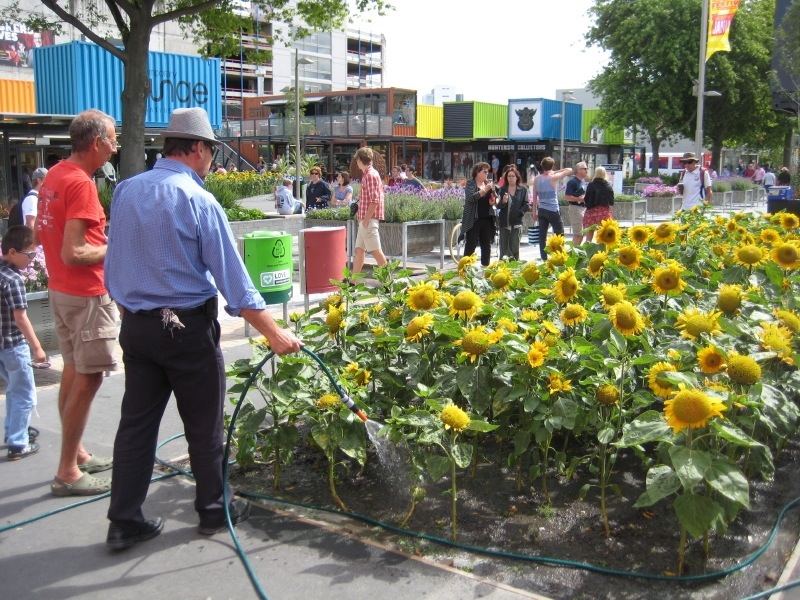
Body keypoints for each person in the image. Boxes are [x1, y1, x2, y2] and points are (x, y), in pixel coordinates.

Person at [104, 107, 302, 550]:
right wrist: (275, 333)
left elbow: (114, 261)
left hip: (137, 328)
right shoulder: (197, 199)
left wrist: (129, 310)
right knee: (203, 426)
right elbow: (235, 280)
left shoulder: (127, 191)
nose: (212, 160)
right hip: (187, 330)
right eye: (211, 150)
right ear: (196, 148)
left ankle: (123, 521)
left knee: (135, 427)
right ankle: (214, 509)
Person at [36, 109, 118, 496]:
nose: (115, 147)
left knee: (73, 370)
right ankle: (68, 471)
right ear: (96, 142)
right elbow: (75, 252)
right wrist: (116, 246)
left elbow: (43, 235)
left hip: (61, 291)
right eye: (112, 139)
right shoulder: (81, 184)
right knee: (89, 377)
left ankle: (78, 454)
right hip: (85, 295)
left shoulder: (55, 174)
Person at [1, 225, 47, 461]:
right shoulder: (14, 280)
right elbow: (20, 318)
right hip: (13, 345)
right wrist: (37, 347)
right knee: (25, 394)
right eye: (29, 254)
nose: (32, 259)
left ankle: (13, 431)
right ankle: (18, 443)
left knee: (13, 389)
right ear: (12, 252)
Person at [352, 147, 388, 275]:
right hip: (365, 219)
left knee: (376, 251)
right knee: (359, 250)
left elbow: (374, 200)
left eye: (357, 160)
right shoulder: (369, 174)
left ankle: (388, 281)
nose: (356, 162)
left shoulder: (370, 175)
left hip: (368, 219)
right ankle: (352, 282)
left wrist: (366, 220)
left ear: (360, 160)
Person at [531, 157, 573, 260]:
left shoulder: (537, 179)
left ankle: (544, 258)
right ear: (553, 166)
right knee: (559, 233)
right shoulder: (553, 177)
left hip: (542, 210)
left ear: (542, 166)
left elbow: (535, 197)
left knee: (542, 236)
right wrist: (555, 171)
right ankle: (559, 256)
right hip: (553, 210)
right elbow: (569, 170)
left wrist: (534, 212)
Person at [461, 162, 497, 267]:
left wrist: (493, 201)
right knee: (471, 244)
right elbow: (471, 198)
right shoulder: (471, 183)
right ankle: (465, 268)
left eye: (487, 172)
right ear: (477, 172)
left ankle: (486, 268)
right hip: (474, 219)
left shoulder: (488, 184)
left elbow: (495, 198)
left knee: (486, 245)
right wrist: (485, 190)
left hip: (487, 218)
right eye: (484, 172)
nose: (487, 174)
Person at [495, 165, 529, 260]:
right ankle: (504, 267)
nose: (511, 178)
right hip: (504, 222)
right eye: (509, 176)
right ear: (506, 178)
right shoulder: (502, 190)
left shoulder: (523, 189)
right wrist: (503, 201)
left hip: (517, 222)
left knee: (515, 247)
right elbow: (498, 205)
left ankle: (515, 265)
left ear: (517, 177)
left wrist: (520, 212)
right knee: (504, 249)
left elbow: (526, 204)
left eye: (513, 176)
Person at [583, 166, 615, 236]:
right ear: (604, 173)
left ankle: (588, 243)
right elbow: (611, 201)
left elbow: (587, 199)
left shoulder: (591, 185)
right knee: (603, 235)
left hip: (592, 211)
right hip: (604, 212)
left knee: (589, 234)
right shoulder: (608, 186)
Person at [564, 162, 589, 246]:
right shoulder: (572, 182)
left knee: (582, 233)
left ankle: (577, 250)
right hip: (575, 208)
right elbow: (567, 197)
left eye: (587, 168)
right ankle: (573, 251)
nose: (587, 170)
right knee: (578, 233)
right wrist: (581, 199)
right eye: (585, 168)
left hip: (582, 208)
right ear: (578, 170)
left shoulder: (582, 181)